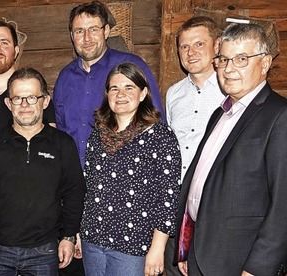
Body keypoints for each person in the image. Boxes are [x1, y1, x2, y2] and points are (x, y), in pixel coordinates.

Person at [175, 23, 287, 276]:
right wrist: (186, 246)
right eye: (223, 59)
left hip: (240, 262)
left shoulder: (279, 115)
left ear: (265, 63)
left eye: (241, 59)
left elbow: (283, 204)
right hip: (202, 253)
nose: (229, 69)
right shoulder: (220, 113)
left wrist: (258, 269)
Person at [0, 68, 86, 275]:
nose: (24, 105)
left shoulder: (63, 144)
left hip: (45, 250)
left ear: (45, 101)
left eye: (32, 98)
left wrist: (68, 236)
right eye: (18, 98)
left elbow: (74, 192)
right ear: (8, 103)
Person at [80, 62, 180, 276]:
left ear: (143, 93)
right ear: (107, 94)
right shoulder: (97, 136)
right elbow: (88, 188)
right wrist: (80, 233)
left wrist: (157, 248)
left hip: (134, 245)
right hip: (93, 240)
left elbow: (167, 198)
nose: (120, 94)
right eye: (114, 88)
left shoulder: (160, 137)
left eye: (129, 87)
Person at [53, 0, 165, 166]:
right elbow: (60, 133)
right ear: (71, 36)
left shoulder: (132, 66)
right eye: (79, 31)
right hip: (76, 179)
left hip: (122, 177)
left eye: (93, 29)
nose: (86, 38)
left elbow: (156, 122)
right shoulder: (64, 78)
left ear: (106, 31)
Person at [163, 16, 224, 276]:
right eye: (184, 47)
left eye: (199, 44)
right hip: (177, 201)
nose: (191, 52)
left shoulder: (229, 90)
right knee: (174, 267)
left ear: (217, 46)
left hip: (216, 202)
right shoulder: (173, 93)